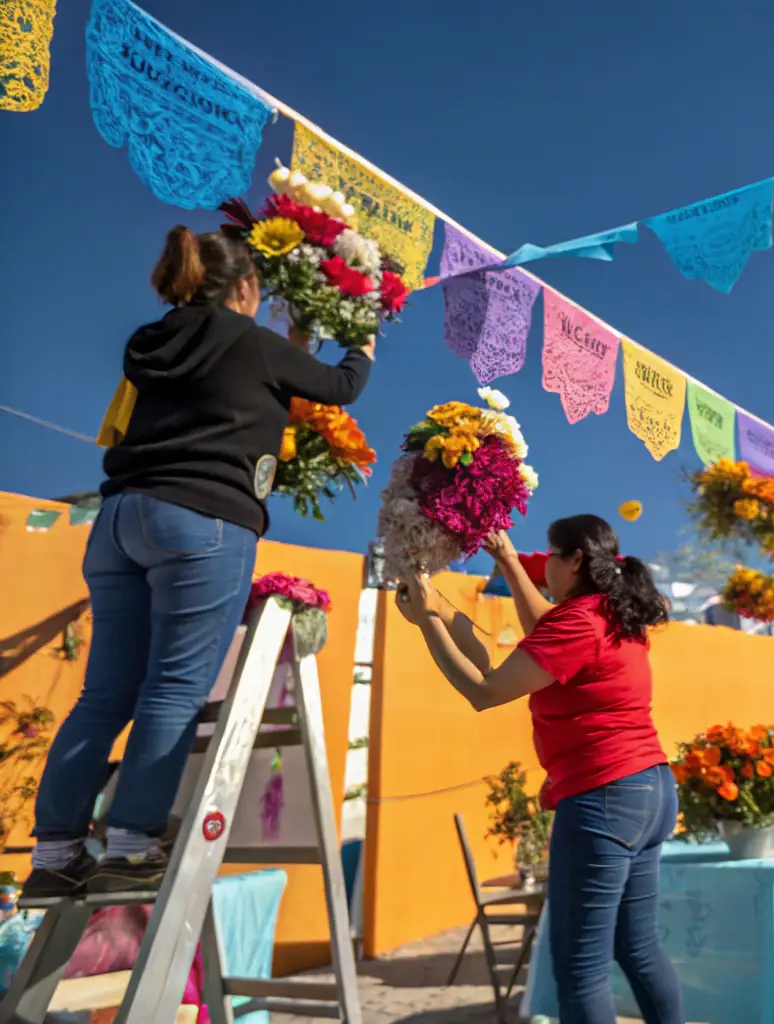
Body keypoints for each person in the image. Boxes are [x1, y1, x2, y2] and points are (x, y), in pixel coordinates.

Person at [26, 226, 374, 899]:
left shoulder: (148, 342)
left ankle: (54, 853)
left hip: (121, 519)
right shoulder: (248, 341)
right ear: (245, 285)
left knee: (102, 696)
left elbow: (234, 383)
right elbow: (338, 386)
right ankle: (129, 847)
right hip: (203, 518)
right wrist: (362, 344)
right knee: (174, 690)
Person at [396, 518, 682, 1024]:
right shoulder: (608, 616)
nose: (541, 564)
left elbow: (485, 692)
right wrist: (501, 563)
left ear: (574, 560)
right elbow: (542, 628)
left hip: (606, 794)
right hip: (650, 788)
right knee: (637, 948)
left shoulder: (576, 623)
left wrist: (428, 624)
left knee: (580, 968)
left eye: (549, 556)